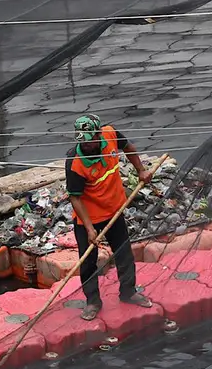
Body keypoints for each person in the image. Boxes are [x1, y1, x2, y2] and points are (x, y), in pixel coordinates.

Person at [66, 113, 155, 321]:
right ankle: (93, 301)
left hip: (114, 211)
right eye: (83, 143)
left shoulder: (111, 134)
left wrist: (141, 170)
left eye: (90, 142)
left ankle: (128, 292)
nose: (86, 146)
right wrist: (89, 229)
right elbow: (75, 199)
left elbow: (129, 148)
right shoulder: (75, 162)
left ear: (98, 135)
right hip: (88, 217)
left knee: (124, 253)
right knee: (88, 262)